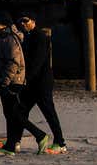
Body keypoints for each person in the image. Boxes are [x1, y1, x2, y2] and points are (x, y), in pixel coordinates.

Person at [0, 16, 46, 155]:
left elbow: (14, 62)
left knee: (15, 114)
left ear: (2, 24)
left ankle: (39, 135)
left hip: (13, 82)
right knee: (10, 114)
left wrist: (5, 82)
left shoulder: (10, 39)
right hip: (11, 81)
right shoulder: (4, 37)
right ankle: (11, 146)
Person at [18, 15, 66, 154]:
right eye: (21, 20)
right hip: (32, 82)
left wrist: (25, 78)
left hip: (41, 82)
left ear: (33, 21)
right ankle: (15, 141)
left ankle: (60, 142)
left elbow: (37, 62)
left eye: (25, 20)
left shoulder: (40, 37)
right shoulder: (28, 36)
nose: (23, 23)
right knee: (20, 111)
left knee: (48, 112)